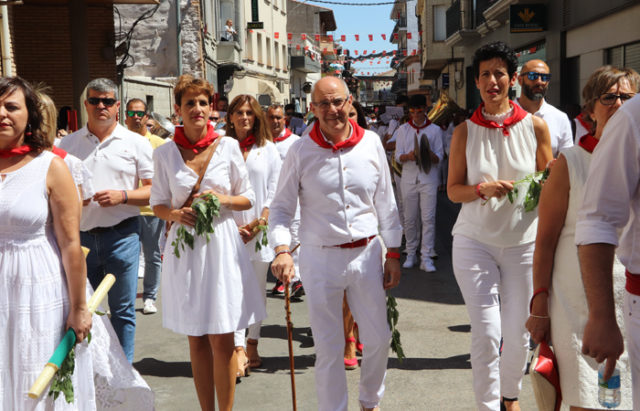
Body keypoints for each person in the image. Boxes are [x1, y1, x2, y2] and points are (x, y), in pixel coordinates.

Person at [269, 76, 402, 411]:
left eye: (338, 101)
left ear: (350, 102)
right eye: (324, 103)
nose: (332, 110)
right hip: (320, 258)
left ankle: (370, 401)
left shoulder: (371, 143)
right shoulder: (299, 151)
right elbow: (282, 208)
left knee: (379, 338)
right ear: (312, 108)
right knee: (328, 349)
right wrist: (282, 249)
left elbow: (386, 202)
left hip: (367, 254)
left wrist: (394, 252)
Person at [447, 41, 552, 411]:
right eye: (485, 75)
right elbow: (453, 192)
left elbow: (549, 184)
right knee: (488, 334)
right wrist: (481, 189)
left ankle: (510, 397)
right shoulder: (464, 132)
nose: (493, 81)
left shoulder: (537, 128)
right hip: (474, 242)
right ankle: (489, 406)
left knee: (519, 332)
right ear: (476, 83)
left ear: (513, 80)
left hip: (523, 244)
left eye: (500, 73)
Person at [150, 74, 265, 410]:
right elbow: (157, 203)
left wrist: (223, 199)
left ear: (211, 107)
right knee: (196, 336)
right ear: (178, 110)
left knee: (223, 336)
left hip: (221, 247)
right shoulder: (165, 154)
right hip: (185, 248)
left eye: (203, 103)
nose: (197, 109)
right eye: (190, 103)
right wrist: (173, 214)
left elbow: (248, 198)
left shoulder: (227, 146)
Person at [526, 66, 638, 410]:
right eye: (609, 97)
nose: (618, 104)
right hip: (577, 305)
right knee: (588, 399)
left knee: (624, 398)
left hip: (628, 298)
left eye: (627, 97)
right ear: (589, 110)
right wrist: (540, 303)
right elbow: (544, 240)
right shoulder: (570, 163)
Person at [0, 75, 94, 409]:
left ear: (30, 117)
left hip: (37, 291)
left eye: (12, 106)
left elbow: (71, 244)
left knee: (35, 377)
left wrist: (79, 307)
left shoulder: (50, 168)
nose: (2, 114)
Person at [59, 78, 154, 363]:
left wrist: (122, 195)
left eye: (108, 101)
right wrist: (76, 200)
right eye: (95, 101)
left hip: (122, 236)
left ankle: (123, 372)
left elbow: (154, 191)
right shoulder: (67, 144)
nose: (102, 106)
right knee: (85, 310)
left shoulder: (136, 143)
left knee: (123, 310)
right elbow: (55, 191)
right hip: (81, 239)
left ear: (117, 106)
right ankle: (95, 373)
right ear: (85, 105)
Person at [574, 97, 640, 407]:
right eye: (608, 97)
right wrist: (601, 316)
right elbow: (598, 220)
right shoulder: (633, 117)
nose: (617, 103)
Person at [225, 95, 282, 377]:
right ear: (231, 117)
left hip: (259, 230)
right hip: (228, 230)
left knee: (256, 290)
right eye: (239, 112)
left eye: (249, 112)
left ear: (256, 116)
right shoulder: (221, 147)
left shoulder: (268, 149)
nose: (244, 117)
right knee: (233, 289)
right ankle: (236, 349)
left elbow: (275, 191)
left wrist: (259, 224)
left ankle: (252, 342)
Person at [124, 98, 167, 315]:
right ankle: (128, 297)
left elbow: (168, 176)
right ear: (125, 117)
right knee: (127, 258)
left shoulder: (159, 144)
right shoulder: (120, 141)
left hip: (151, 209)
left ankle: (150, 297)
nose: (136, 117)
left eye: (140, 113)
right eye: (132, 114)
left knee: (152, 255)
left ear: (147, 117)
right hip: (126, 209)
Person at [394, 94, 444, 272]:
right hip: (408, 178)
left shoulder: (435, 130)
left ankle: (426, 257)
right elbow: (398, 157)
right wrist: (408, 156)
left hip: (428, 177)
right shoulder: (402, 130)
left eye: (419, 111)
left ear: (425, 110)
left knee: (428, 219)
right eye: (413, 111)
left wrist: (428, 154)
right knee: (409, 218)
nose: (416, 114)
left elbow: (440, 157)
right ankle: (410, 253)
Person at [265, 103, 304, 298]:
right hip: (269, 198)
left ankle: (296, 279)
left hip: (293, 197)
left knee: (295, 236)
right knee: (274, 237)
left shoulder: (296, 142)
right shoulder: (263, 143)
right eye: (271, 117)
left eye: (278, 118)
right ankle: (283, 278)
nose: (275, 121)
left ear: (285, 120)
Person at [516, 59, 573, 157]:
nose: (539, 81)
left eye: (545, 77)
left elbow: (566, 162)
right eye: (533, 76)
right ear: (520, 80)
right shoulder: (505, 114)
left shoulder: (560, 118)